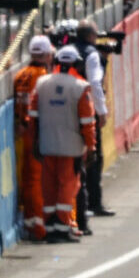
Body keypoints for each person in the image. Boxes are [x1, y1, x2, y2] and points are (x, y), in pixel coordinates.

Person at [28, 48, 97, 242]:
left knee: (48, 187)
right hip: (71, 147)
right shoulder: (81, 87)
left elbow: (32, 116)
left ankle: (50, 226)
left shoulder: (41, 84)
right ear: (76, 64)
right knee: (67, 187)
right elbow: (87, 121)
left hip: (47, 145)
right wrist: (91, 147)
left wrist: (35, 142)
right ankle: (63, 225)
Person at [13, 36, 56, 241]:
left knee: (29, 181)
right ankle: (40, 227)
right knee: (39, 181)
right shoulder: (43, 78)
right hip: (38, 132)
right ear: (47, 55)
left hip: (23, 132)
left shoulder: (21, 75)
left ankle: (31, 222)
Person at [72, 21, 113, 224]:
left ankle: (78, 203)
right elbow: (95, 83)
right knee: (94, 155)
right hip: (86, 108)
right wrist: (102, 111)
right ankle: (94, 203)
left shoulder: (66, 50)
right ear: (90, 36)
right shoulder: (92, 54)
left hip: (66, 110)